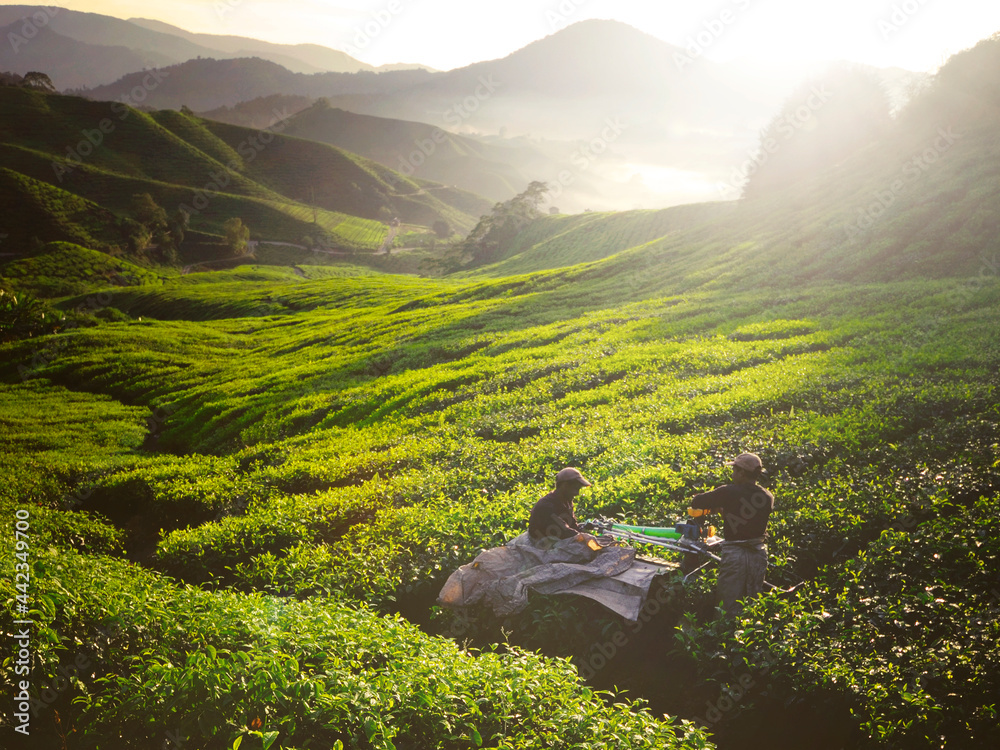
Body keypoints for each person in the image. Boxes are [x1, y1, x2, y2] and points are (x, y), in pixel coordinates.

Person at [689, 452, 774, 612]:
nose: (733, 474)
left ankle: (722, 634)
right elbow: (749, 518)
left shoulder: (728, 491)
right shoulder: (767, 496)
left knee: (727, 606)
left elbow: (697, 502)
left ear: (742, 472)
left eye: (735, 470)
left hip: (736, 555)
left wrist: (722, 507)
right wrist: (727, 511)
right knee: (751, 603)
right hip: (758, 553)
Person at [528, 467, 591, 542]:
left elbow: (573, 525)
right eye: (576, 488)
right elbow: (565, 531)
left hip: (559, 534)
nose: (577, 493)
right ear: (565, 486)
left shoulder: (567, 501)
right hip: (542, 540)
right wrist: (585, 538)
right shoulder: (546, 505)